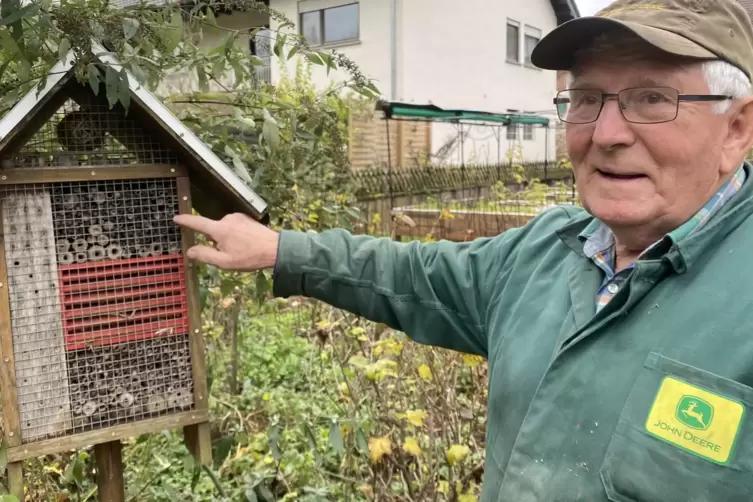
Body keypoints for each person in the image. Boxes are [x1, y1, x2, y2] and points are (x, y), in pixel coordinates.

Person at [174, 0, 753, 499]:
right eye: (587, 99)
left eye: (652, 99)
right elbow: (411, 274)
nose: (605, 133)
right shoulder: (543, 253)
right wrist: (280, 248)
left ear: (736, 129)